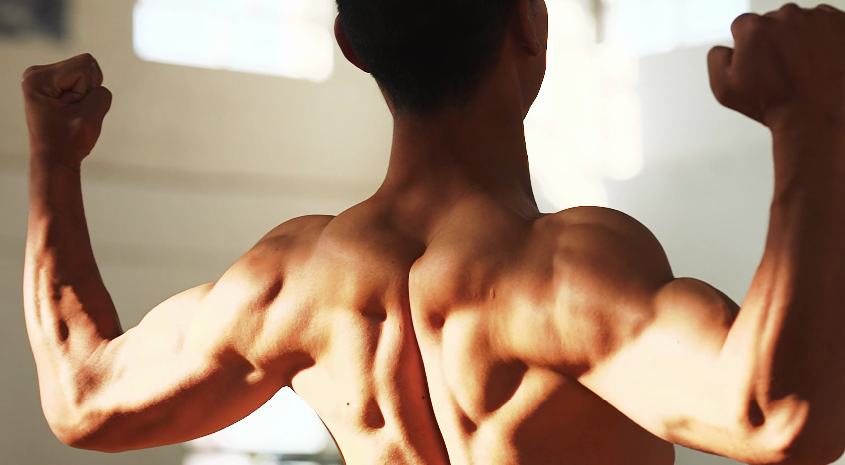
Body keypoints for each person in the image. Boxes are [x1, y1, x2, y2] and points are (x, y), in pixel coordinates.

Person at [20, 1, 845, 464]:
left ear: (350, 45)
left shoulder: (286, 283)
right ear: (529, 22)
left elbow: (83, 395)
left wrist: (55, 163)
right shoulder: (568, 274)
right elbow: (773, 413)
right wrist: (809, 121)